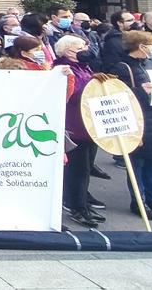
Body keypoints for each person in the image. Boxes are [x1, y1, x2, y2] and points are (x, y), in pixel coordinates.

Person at [105, 30, 152, 221]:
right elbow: (115, 96)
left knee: (150, 162)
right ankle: (139, 201)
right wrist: (139, 92)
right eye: (150, 44)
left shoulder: (150, 63)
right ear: (140, 46)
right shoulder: (122, 68)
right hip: (137, 119)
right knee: (137, 163)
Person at [52, 34, 104, 228]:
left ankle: (83, 204)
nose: (84, 51)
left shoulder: (84, 67)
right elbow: (70, 96)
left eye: (84, 46)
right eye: (78, 48)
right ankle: (77, 207)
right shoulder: (63, 69)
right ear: (66, 51)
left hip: (89, 123)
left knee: (87, 168)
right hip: (74, 125)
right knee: (78, 170)